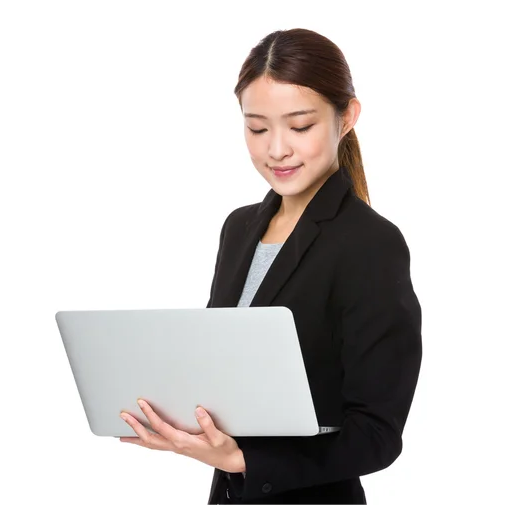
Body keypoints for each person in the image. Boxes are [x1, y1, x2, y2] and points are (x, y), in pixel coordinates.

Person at [119, 28, 422, 504]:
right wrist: (177, 420)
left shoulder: (371, 244)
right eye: (257, 128)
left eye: (300, 126)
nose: (276, 149)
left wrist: (245, 461)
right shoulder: (239, 229)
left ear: (347, 118)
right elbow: (220, 373)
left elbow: (377, 434)